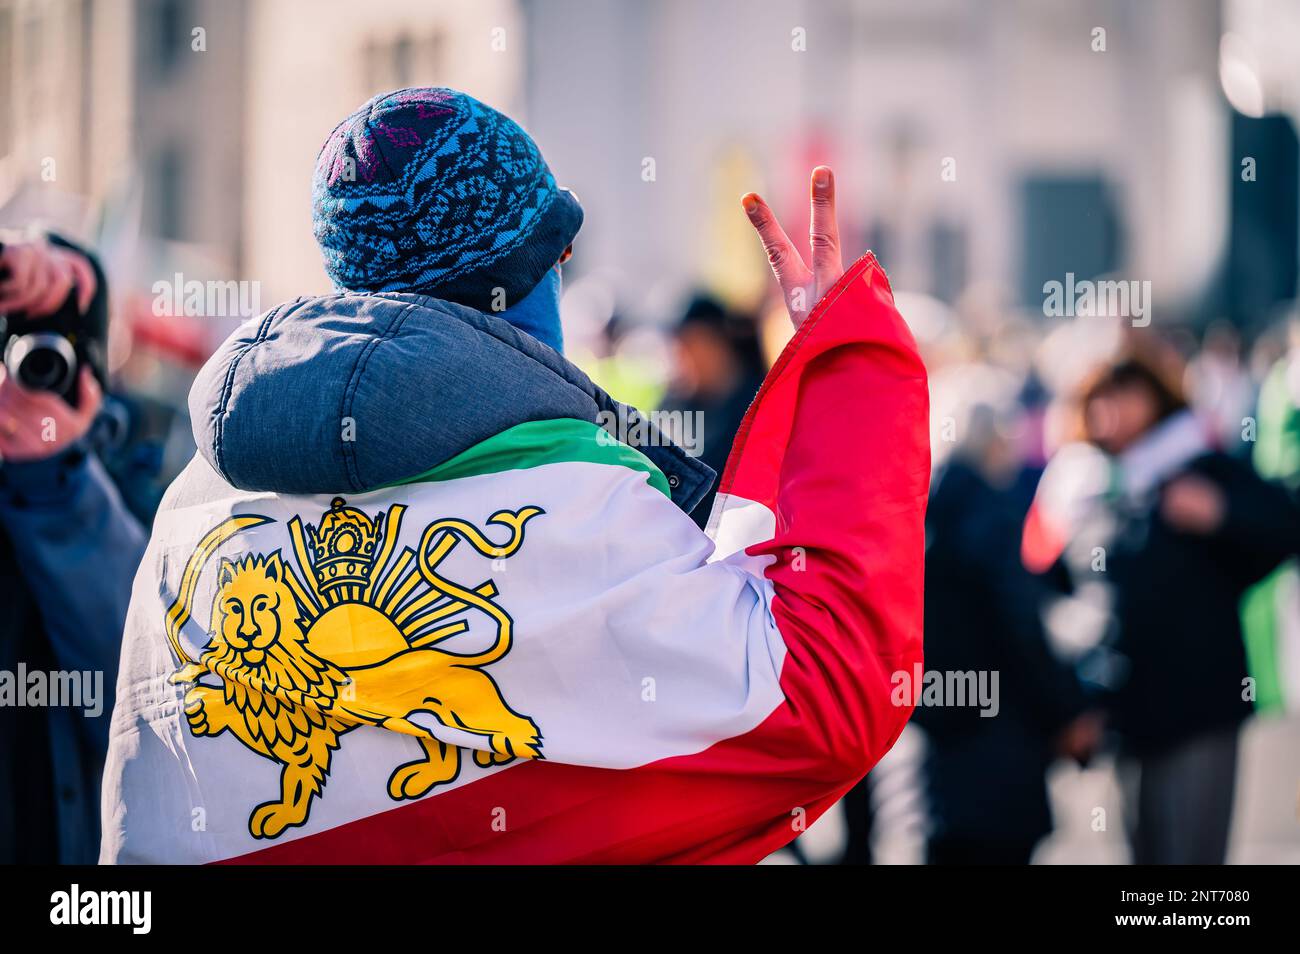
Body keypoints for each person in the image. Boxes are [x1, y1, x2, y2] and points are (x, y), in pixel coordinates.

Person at [101, 88, 928, 864]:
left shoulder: (193, 504)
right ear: (524, 277)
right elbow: (821, 698)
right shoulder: (575, 497)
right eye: (559, 252)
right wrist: (845, 363)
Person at [1024, 352, 1300, 864]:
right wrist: (1074, 695)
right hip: (1123, 714)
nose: (1113, 412)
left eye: (1127, 395)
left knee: (1189, 876)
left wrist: (1221, 513)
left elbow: (1283, 526)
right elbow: (1048, 595)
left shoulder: (1199, 465)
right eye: (1100, 399)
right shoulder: (1077, 486)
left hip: (1198, 708)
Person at [910, 365, 1101, 865]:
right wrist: (1068, 711)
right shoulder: (989, 518)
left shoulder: (926, 512)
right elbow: (1021, 628)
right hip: (999, 747)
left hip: (938, 746)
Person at [0, 234, 146, 863]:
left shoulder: (136, 482)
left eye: (57, 350)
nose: (34, 375)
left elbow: (141, 692)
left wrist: (56, 480)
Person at [661, 295, 764, 528]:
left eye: (691, 346)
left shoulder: (757, 403)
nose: (684, 359)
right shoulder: (677, 402)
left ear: (719, 345)